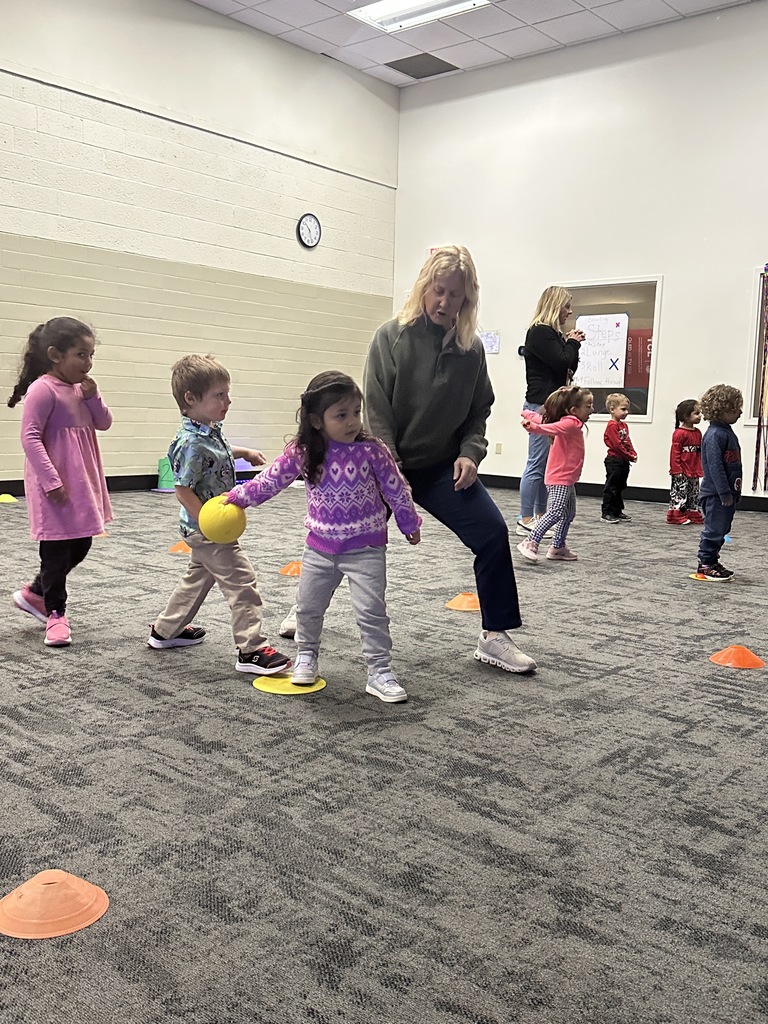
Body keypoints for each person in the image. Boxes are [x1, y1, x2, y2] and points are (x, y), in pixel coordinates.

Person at [363, 244, 536, 675]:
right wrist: (390, 472)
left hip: (443, 468)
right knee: (348, 539)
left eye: (454, 295)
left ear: (467, 299)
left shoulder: (471, 350)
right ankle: (306, 607)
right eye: (438, 291)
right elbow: (377, 410)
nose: (444, 302)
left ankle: (494, 636)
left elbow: (479, 411)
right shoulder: (391, 337)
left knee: (494, 533)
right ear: (424, 288)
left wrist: (470, 454)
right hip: (389, 467)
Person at [225, 371, 421, 703]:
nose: (352, 422)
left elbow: (396, 486)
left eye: (356, 412)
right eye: (340, 415)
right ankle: (306, 657)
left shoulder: (372, 450)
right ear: (317, 420)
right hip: (320, 548)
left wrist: (407, 521)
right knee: (308, 607)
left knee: (372, 611)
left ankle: (380, 671)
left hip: (366, 547)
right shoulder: (304, 451)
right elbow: (272, 478)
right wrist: (242, 496)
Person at [148, 355, 291, 676]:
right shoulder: (190, 444)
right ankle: (251, 648)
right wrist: (207, 522)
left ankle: (164, 631)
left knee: (196, 580)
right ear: (191, 399)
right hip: (209, 530)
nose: (228, 400)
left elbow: (220, 452)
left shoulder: (208, 431)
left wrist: (244, 453)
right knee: (242, 583)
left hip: (209, 530)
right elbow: (182, 489)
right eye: (220, 395)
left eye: (227, 393)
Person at [8, 317, 113, 648]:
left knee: (82, 543)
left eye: (91, 355)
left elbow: (104, 423)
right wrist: (51, 481)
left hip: (80, 484)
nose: (88, 363)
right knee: (54, 552)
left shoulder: (80, 390)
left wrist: (94, 397)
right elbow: (30, 438)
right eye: (81, 355)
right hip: (53, 487)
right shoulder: (43, 390)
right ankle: (55, 615)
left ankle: (36, 593)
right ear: (55, 354)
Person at [517, 287, 584, 536]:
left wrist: (571, 344)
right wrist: (571, 343)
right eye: (566, 306)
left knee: (547, 464)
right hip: (540, 405)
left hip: (552, 406)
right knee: (536, 463)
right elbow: (561, 360)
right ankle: (525, 517)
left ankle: (540, 515)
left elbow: (569, 363)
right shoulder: (539, 332)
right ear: (555, 306)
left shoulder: (553, 334)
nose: (569, 311)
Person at [517, 386, 593, 563]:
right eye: (588, 406)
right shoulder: (570, 423)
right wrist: (534, 426)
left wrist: (529, 415)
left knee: (568, 514)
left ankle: (558, 547)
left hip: (567, 479)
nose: (592, 409)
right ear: (574, 410)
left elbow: (544, 421)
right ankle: (530, 541)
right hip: (560, 478)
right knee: (556, 512)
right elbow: (549, 427)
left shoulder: (569, 423)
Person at [693, 384, 742, 582]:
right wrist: (724, 493)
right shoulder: (715, 435)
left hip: (727, 494)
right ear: (722, 410)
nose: (740, 412)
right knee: (714, 530)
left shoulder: (726, 432)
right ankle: (705, 564)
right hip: (716, 494)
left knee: (722, 529)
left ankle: (712, 560)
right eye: (735, 408)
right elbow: (714, 467)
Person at [601, 393, 637, 523]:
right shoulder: (612, 426)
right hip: (614, 460)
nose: (626, 412)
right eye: (623, 409)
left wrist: (632, 453)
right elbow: (616, 445)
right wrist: (629, 455)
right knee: (611, 486)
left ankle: (617, 510)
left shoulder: (624, 425)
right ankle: (607, 512)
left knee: (621, 485)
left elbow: (627, 441)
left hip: (624, 460)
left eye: (627, 409)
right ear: (612, 409)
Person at [668, 399, 703, 525]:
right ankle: (676, 514)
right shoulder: (680, 433)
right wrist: (676, 469)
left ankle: (692, 511)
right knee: (680, 492)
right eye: (696, 413)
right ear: (686, 416)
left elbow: (700, 451)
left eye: (700, 413)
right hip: (681, 470)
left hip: (694, 469)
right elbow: (675, 453)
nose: (700, 416)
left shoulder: (698, 433)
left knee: (693, 492)